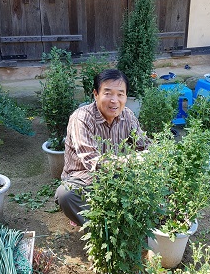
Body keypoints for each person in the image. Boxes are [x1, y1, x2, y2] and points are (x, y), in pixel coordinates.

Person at [54, 68, 150, 226]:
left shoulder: (127, 116)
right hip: (84, 180)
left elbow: (144, 145)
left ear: (126, 96)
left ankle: (117, 219)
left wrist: (159, 154)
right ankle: (98, 226)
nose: (114, 100)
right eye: (108, 93)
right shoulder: (81, 118)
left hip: (117, 177)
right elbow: (93, 161)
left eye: (120, 94)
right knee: (66, 194)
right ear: (96, 94)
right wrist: (134, 161)